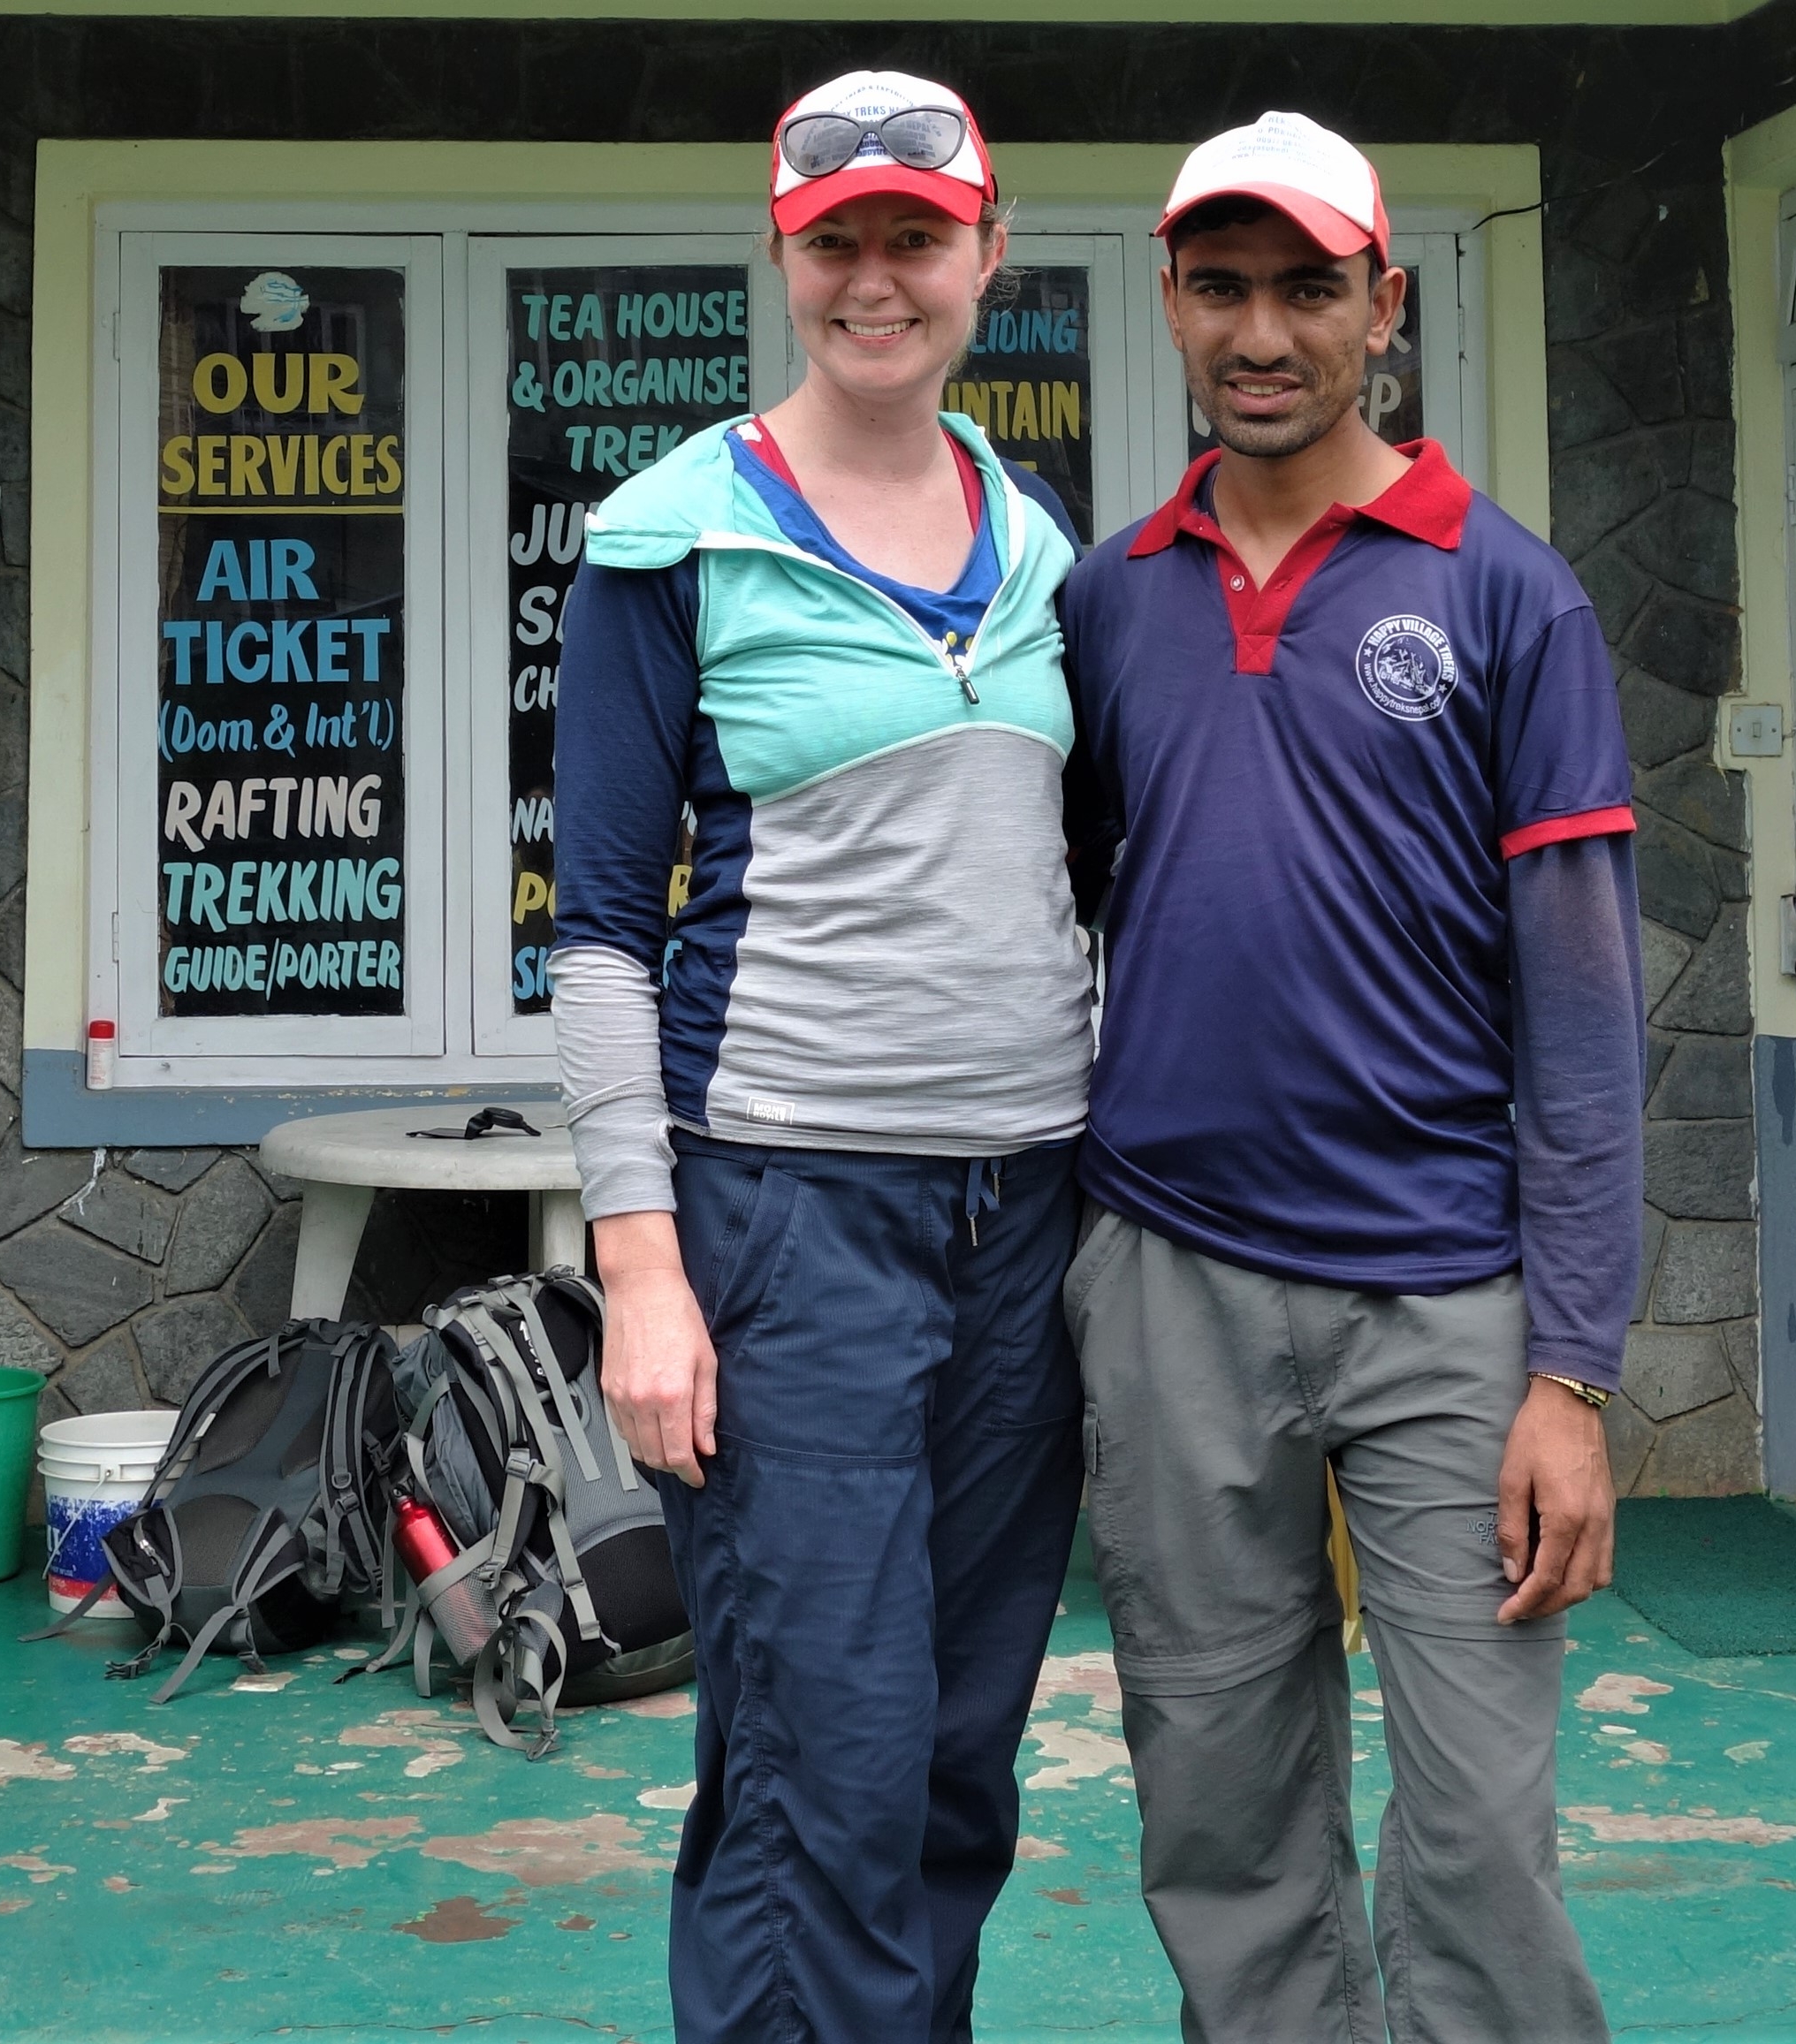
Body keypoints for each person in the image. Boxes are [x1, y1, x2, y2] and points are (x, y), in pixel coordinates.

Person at [1059, 111, 1643, 2043]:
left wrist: (1572, 1374)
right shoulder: (1110, 601)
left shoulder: (1506, 594)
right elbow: (1081, 904)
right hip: (1173, 1279)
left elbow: (1582, 1022)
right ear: (1170, 301)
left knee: (1477, 1828)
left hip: (1446, 1300)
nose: (1261, 331)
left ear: (1381, 306)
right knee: (1218, 1802)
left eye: (1307, 288)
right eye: (1221, 286)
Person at [548, 71, 1092, 2042]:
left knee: (954, 1757)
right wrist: (641, 1264)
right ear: (781, 259)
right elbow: (599, 934)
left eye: (915, 239)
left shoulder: (1040, 545)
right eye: (835, 241)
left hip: (1024, 1218)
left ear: (986, 252)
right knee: (819, 1760)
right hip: (789, 1222)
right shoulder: (670, 540)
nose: (878, 279)